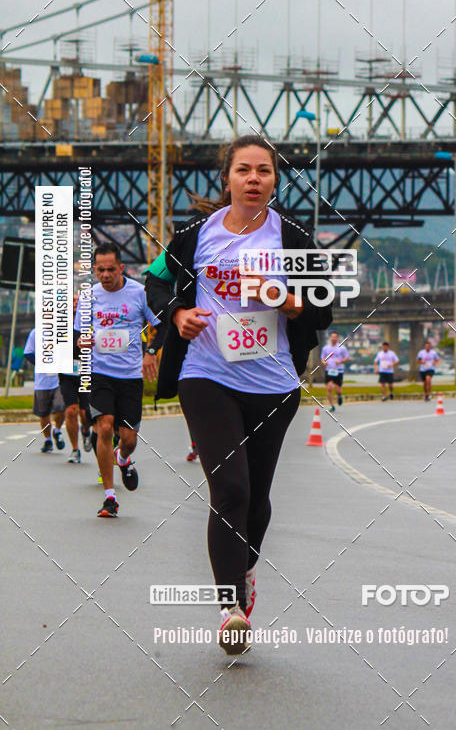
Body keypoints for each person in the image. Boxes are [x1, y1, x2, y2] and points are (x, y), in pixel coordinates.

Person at [144, 134, 332, 656]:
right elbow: (153, 282)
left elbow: (324, 304)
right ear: (226, 178)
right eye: (244, 170)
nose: (254, 179)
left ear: (274, 181)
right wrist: (178, 314)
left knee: (257, 499)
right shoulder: (193, 236)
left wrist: (292, 302)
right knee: (230, 489)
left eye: (265, 171)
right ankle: (231, 607)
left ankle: (243, 570)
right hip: (207, 375)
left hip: (273, 385)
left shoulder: (292, 237)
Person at [74, 243, 162, 518]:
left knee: (129, 438)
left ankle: (122, 458)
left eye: (111, 269)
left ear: (121, 268)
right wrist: (81, 342)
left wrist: (149, 353)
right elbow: (78, 335)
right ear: (94, 270)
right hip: (100, 372)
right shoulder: (89, 296)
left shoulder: (138, 292)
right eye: (100, 270)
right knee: (104, 426)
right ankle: (109, 497)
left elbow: (159, 325)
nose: (105, 275)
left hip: (130, 375)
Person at [58, 293, 92, 463]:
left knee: (85, 413)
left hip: (86, 371)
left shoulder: (89, 322)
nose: (75, 304)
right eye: (72, 301)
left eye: (78, 301)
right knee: (71, 411)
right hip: (66, 373)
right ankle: (75, 449)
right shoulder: (59, 324)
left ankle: (86, 431)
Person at [23, 328, 66, 452]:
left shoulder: (61, 330)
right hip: (42, 381)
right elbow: (28, 353)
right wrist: (42, 363)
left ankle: (57, 431)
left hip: (59, 379)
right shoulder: (35, 333)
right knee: (43, 413)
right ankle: (48, 440)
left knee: (61, 407)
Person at [320, 331, 349, 411]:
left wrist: (340, 361)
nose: (334, 338)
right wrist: (324, 362)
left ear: (337, 338)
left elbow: (346, 357)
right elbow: (322, 358)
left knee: (337, 389)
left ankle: (339, 395)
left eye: (335, 337)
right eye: (332, 337)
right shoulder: (325, 348)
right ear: (330, 338)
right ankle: (332, 406)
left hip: (338, 371)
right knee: (329, 388)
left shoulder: (342, 348)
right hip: (329, 370)